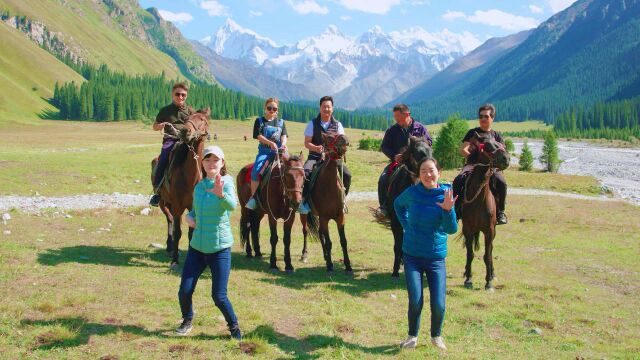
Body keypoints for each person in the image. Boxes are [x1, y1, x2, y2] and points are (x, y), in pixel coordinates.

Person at [177, 145, 242, 340]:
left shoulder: (227, 183)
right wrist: (188, 217)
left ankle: (234, 327)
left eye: (216, 160)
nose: (211, 163)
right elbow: (195, 211)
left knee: (219, 296)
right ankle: (187, 319)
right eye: (207, 160)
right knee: (184, 291)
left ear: (222, 163)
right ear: (202, 163)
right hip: (197, 247)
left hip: (219, 248)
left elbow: (232, 206)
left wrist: (220, 193)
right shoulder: (199, 186)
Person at [394, 157, 457, 350]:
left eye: (431, 170)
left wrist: (448, 211)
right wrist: (406, 225)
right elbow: (398, 205)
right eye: (423, 171)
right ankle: (412, 336)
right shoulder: (412, 192)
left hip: (436, 258)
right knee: (415, 299)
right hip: (412, 255)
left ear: (439, 172)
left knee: (438, 303)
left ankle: (436, 336)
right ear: (418, 175)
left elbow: (452, 229)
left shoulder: (445, 193)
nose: (428, 175)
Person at [454, 103, 508, 224]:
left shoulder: (497, 136)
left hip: (491, 167)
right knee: (458, 180)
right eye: (481, 116)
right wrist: (474, 159)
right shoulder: (472, 133)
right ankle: (456, 209)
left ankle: (501, 212)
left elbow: (502, 153)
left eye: (486, 116)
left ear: (492, 118)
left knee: (502, 183)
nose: (483, 119)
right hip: (472, 165)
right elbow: (463, 149)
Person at [376, 104, 432, 219]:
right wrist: (394, 156)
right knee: (383, 178)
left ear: (407, 114)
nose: (396, 119)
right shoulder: (392, 130)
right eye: (395, 116)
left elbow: (429, 142)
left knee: (432, 176)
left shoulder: (420, 128)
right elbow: (384, 146)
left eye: (398, 116)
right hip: (399, 163)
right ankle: (384, 207)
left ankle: (435, 202)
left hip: (418, 164)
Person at [298, 96, 351, 214]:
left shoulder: (338, 125)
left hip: (333, 158)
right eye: (324, 107)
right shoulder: (312, 123)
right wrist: (316, 148)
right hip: (315, 157)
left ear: (332, 109)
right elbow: (307, 143)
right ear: (320, 108)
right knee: (305, 175)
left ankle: (342, 200)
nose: (326, 109)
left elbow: (342, 140)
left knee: (347, 175)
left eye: (329, 107)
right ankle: (305, 202)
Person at [150, 82, 194, 207]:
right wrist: (161, 126)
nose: (180, 97)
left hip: (187, 140)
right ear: (172, 94)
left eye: (183, 95)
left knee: (201, 157)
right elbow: (154, 126)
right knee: (164, 157)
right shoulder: (165, 111)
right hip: (171, 140)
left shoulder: (190, 111)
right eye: (177, 94)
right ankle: (158, 191)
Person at [245, 98, 288, 210]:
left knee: (294, 168)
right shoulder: (259, 121)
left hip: (280, 151)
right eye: (269, 108)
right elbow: (258, 136)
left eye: (274, 108)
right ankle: (254, 198)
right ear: (265, 109)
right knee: (256, 170)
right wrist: (270, 143)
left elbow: (284, 135)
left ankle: (297, 199)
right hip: (265, 152)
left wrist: (283, 144)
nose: (272, 110)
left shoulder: (281, 122)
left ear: (277, 110)